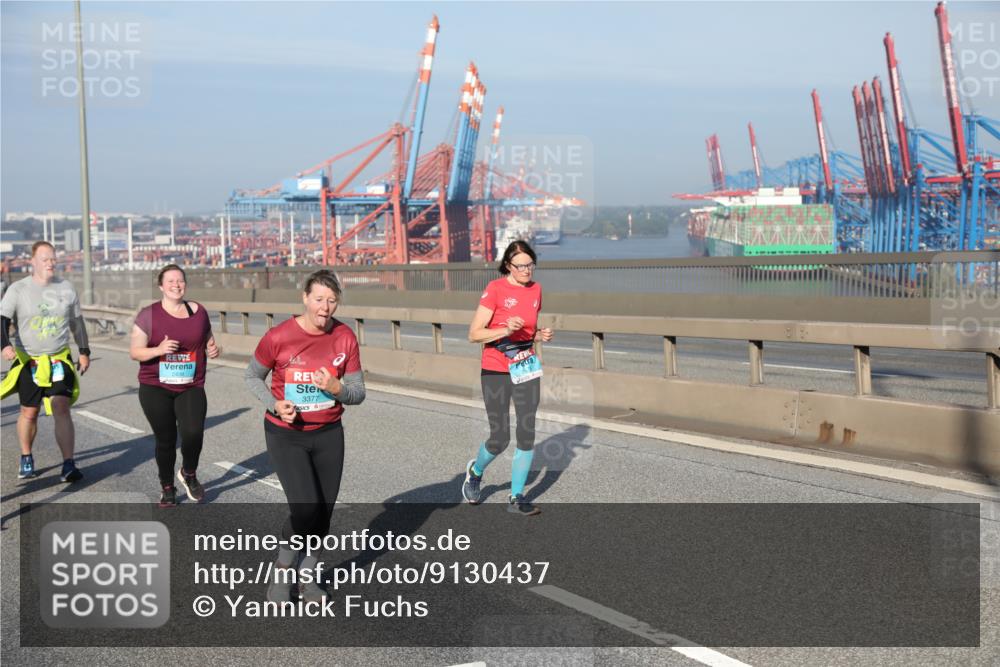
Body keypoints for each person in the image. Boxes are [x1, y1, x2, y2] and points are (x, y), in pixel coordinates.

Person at [244, 269, 365, 602]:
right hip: (287, 434)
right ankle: (283, 568)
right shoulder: (279, 336)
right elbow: (252, 377)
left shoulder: (345, 337)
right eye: (318, 299)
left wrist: (336, 388)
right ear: (305, 299)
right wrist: (274, 404)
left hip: (328, 434)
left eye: (331, 301)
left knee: (323, 514)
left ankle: (307, 576)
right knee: (306, 510)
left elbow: (358, 393)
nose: (325, 308)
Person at [462, 240, 553, 516]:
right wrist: (502, 329)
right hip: (496, 368)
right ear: (507, 266)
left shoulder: (536, 290)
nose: (526, 270)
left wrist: (539, 336)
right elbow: (474, 333)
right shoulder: (495, 289)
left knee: (527, 432)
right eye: (520, 266)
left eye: (530, 265)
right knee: (500, 438)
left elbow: (526, 332)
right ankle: (475, 472)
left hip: (525, 367)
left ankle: (516, 498)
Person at [129, 264, 220, 508]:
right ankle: (167, 487)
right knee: (166, 439)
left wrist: (213, 347)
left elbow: (207, 336)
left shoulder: (198, 311)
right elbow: (135, 352)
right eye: (170, 281)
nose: (176, 285)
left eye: (180, 280)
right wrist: (158, 350)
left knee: (193, 432)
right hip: (155, 386)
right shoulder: (148, 315)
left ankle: (189, 473)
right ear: (161, 286)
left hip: (191, 385)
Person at [0, 241, 90, 482]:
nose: (50, 263)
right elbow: (2, 319)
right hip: (29, 360)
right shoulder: (19, 289)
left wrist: (84, 351)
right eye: (45, 259)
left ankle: (69, 464)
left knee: (61, 406)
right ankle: (26, 456)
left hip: (59, 358)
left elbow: (77, 322)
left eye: (53, 258)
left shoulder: (67, 288)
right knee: (29, 412)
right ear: (33, 262)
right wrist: (4, 345)